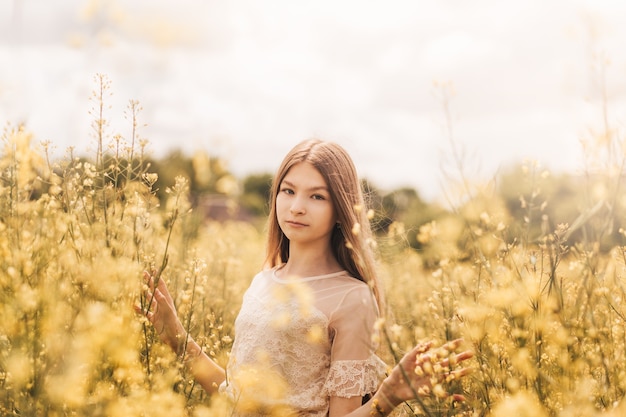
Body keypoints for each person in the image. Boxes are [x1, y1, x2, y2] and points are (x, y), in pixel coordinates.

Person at [139, 139, 472, 416]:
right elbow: (233, 396)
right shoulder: (264, 280)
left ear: (341, 209)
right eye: (288, 191)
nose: (297, 207)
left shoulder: (352, 298)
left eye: (317, 196)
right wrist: (174, 336)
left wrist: (388, 396)